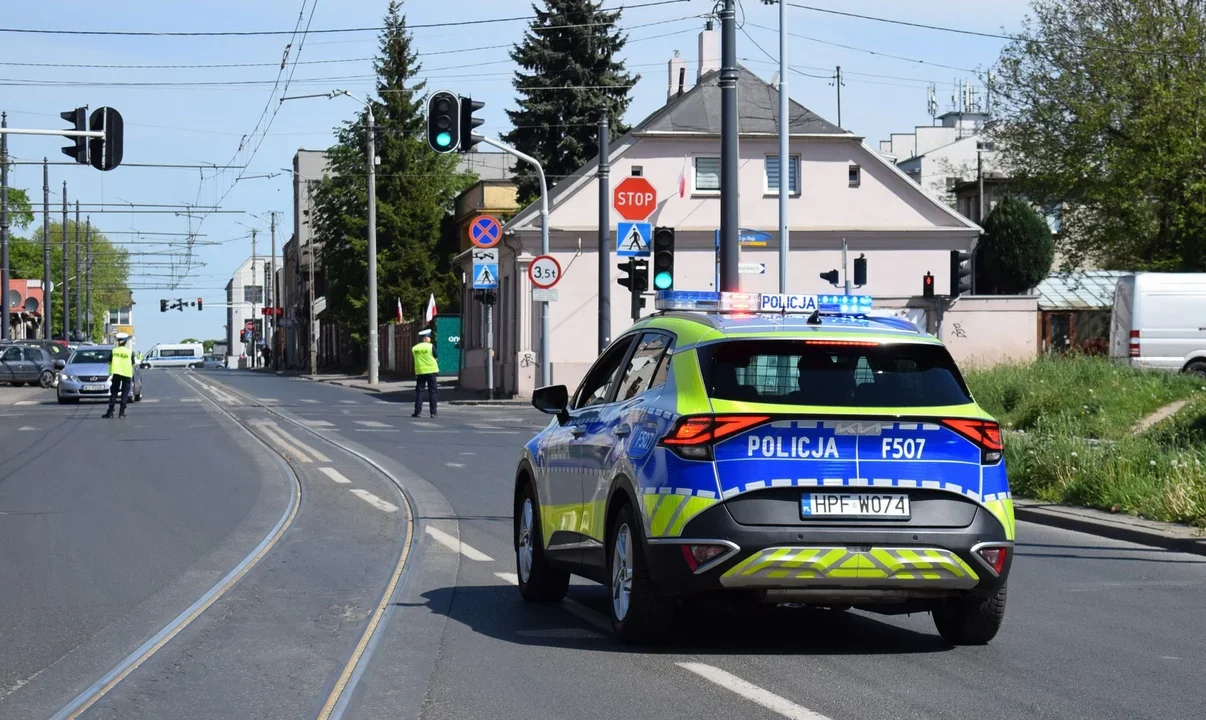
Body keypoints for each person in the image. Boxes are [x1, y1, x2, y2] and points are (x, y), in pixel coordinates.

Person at [103, 332, 135, 419]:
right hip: (127, 374)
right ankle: (121, 413)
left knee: (114, 393)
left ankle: (110, 412)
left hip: (116, 373)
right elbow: (133, 363)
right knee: (124, 394)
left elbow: (109, 362)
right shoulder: (130, 352)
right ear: (125, 342)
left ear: (118, 341)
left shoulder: (114, 351)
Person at [411, 328, 439, 418]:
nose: (430, 339)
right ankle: (433, 413)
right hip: (431, 371)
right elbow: (436, 356)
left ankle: (417, 412)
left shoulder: (414, 348)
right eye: (429, 337)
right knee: (433, 392)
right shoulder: (430, 346)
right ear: (426, 338)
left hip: (420, 372)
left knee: (419, 392)